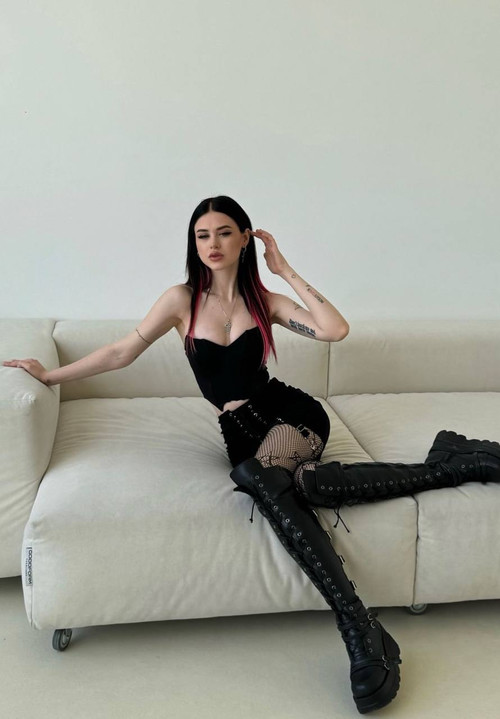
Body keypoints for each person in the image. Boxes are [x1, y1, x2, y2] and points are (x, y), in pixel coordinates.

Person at [4, 195, 500, 714]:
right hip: (240, 433)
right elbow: (120, 352)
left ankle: (358, 628)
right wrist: (49, 375)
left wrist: (284, 270)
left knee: (261, 478)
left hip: (291, 416)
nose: (212, 244)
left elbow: (335, 330)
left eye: (224, 232)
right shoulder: (180, 300)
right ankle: (455, 464)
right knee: (301, 485)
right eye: (202, 235)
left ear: (245, 238)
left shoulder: (266, 301)